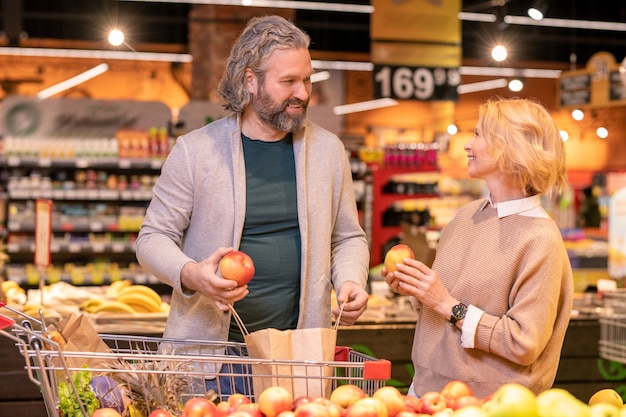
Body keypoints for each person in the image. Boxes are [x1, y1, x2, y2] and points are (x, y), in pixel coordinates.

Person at [135, 14, 370, 394]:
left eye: (307, 79)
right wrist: (193, 274)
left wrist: (350, 280)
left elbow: (348, 237)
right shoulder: (196, 152)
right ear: (250, 81)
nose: (303, 93)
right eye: (288, 81)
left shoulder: (328, 151)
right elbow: (151, 239)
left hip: (298, 356)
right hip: (213, 358)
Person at [383, 97, 574, 399]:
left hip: (490, 403)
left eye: (477, 134)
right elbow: (443, 302)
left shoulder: (540, 239)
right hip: (426, 392)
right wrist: (417, 290)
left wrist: (447, 304)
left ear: (508, 147)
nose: (467, 145)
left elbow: (523, 344)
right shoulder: (466, 216)